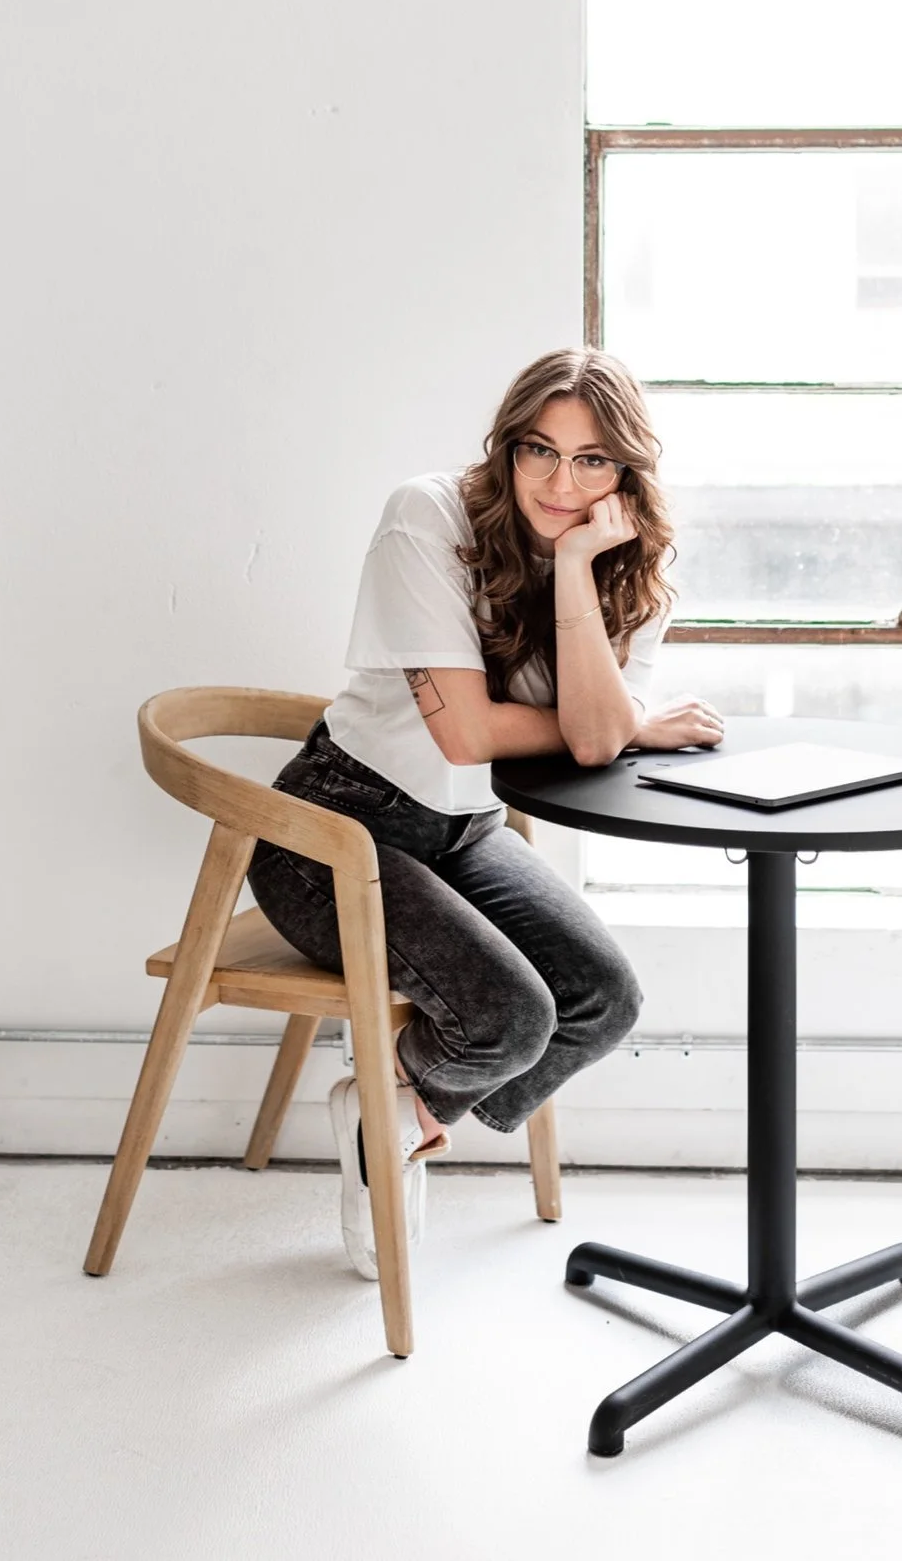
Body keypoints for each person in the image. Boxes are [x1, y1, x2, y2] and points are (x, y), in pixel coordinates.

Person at [247, 347, 723, 1278]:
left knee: (603, 1001)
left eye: (592, 461)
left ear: (626, 472)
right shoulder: (426, 517)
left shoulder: (628, 568)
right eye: (538, 450)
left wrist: (579, 569)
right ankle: (396, 1126)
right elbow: (468, 734)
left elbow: (590, 742)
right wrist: (621, 725)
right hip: (332, 831)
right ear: (505, 447)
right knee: (509, 1016)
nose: (558, 480)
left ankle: (397, 1118)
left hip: (464, 832)